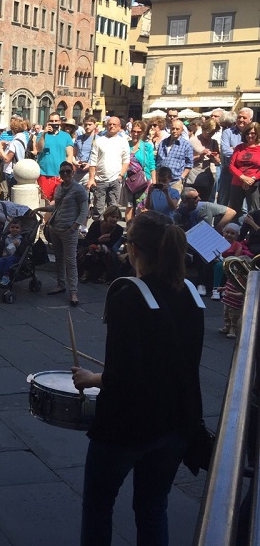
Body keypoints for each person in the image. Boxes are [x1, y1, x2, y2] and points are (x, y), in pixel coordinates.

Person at [71, 211, 204, 546]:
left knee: (99, 506)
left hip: (127, 427)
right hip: (177, 422)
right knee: (153, 507)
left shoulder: (128, 294)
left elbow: (123, 377)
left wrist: (92, 378)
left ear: (134, 249)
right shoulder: (191, 292)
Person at [34, 161, 88, 306]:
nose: (65, 174)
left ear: (73, 172)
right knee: (59, 258)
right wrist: (39, 208)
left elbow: (84, 210)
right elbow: (56, 207)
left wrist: (75, 227)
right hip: (55, 228)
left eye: (68, 171)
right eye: (62, 172)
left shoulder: (79, 189)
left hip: (69, 230)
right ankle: (61, 284)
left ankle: (74, 291)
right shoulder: (58, 188)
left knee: (70, 261)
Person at [87, 116, 130, 221]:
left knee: (113, 209)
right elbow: (93, 161)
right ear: (106, 126)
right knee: (98, 209)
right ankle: (98, 230)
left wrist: (120, 176)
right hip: (100, 180)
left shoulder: (123, 141)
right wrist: (91, 178)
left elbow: (126, 160)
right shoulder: (99, 140)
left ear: (119, 127)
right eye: (110, 124)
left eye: (114, 124)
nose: (112, 126)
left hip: (115, 179)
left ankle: (111, 232)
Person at [78, 205, 124, 284]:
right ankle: (86, 273)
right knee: (91, 249)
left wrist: (102, 246)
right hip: (92, 246)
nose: (115, 219)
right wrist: (98, 240)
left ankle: (104, 275)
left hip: (107, 249)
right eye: (112, 217)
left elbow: (113, 244)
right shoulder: (96, 224)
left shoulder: (119, 229)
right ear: (107, 216)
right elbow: (87, 241)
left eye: (117, 217)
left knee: (107, 253)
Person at [35, 112, 74, 203]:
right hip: (45, 174)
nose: (54, 123)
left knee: (59, 201)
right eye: (51, 121)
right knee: (47, 202)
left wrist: (66, 172)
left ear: (60, 122)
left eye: (56, 121)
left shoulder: (66, 136)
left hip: (60, 174)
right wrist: (44, 134)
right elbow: (39, 149)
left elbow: (70, 155)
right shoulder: (42, 135)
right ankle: (48, 217)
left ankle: (54, 217)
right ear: (48, 122)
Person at [121, 120, 156, 221]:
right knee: (129, 207)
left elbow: (152, 165)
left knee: (142, 207)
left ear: (143, 133)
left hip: (143, 180)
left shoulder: (147, 147)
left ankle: (141, 229)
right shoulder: (126, 145)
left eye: (139, 132)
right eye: (134, 131)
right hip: (128, 180)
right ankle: (129, 230)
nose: (135, 134)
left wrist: (154, 181)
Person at [227, 121, 260, 216]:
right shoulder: (239, 147)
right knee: (233, 211)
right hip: (237, 182)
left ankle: (254, 230)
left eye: (253, 133)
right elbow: (232, 166)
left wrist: (252, 179)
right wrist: (243, 177)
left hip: (254, 184)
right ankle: (234, 229)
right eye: (247, 133)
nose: (250, 136)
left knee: (254, 211)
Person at [187, 118, 221, 202]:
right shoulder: (193, 141)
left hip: (207, 178)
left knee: (205, 201)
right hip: (193, 177)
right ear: (204, 129)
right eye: (209, 132)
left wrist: (215, 158)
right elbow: (186, 160)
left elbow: (218, 162)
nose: (210, 135)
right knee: (192, 201)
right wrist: (200, 156)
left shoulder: (214, 142)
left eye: (213, 133)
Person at [155, 119, 193, 191]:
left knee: (173, 202)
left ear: (182, 130)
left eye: (177, 129)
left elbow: (189, 164)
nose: (174, 131)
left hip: (175, 181)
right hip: (160, 180)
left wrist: (181, 177)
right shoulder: (163, 143)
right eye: (173, 128)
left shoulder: (186, 145)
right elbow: (157, 160)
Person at [0, 218, 26, 286]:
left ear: (20, 230)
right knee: (0, 261)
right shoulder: (6, 238)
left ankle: (6, 276)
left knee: (9, 259)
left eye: (17, 228)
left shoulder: (21, 240)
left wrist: (18, 246)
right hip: (5, 255)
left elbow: (23, 251)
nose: (14, 229)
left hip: (16, 257)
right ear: (9, 229)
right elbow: (1, 248)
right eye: (12, 227)